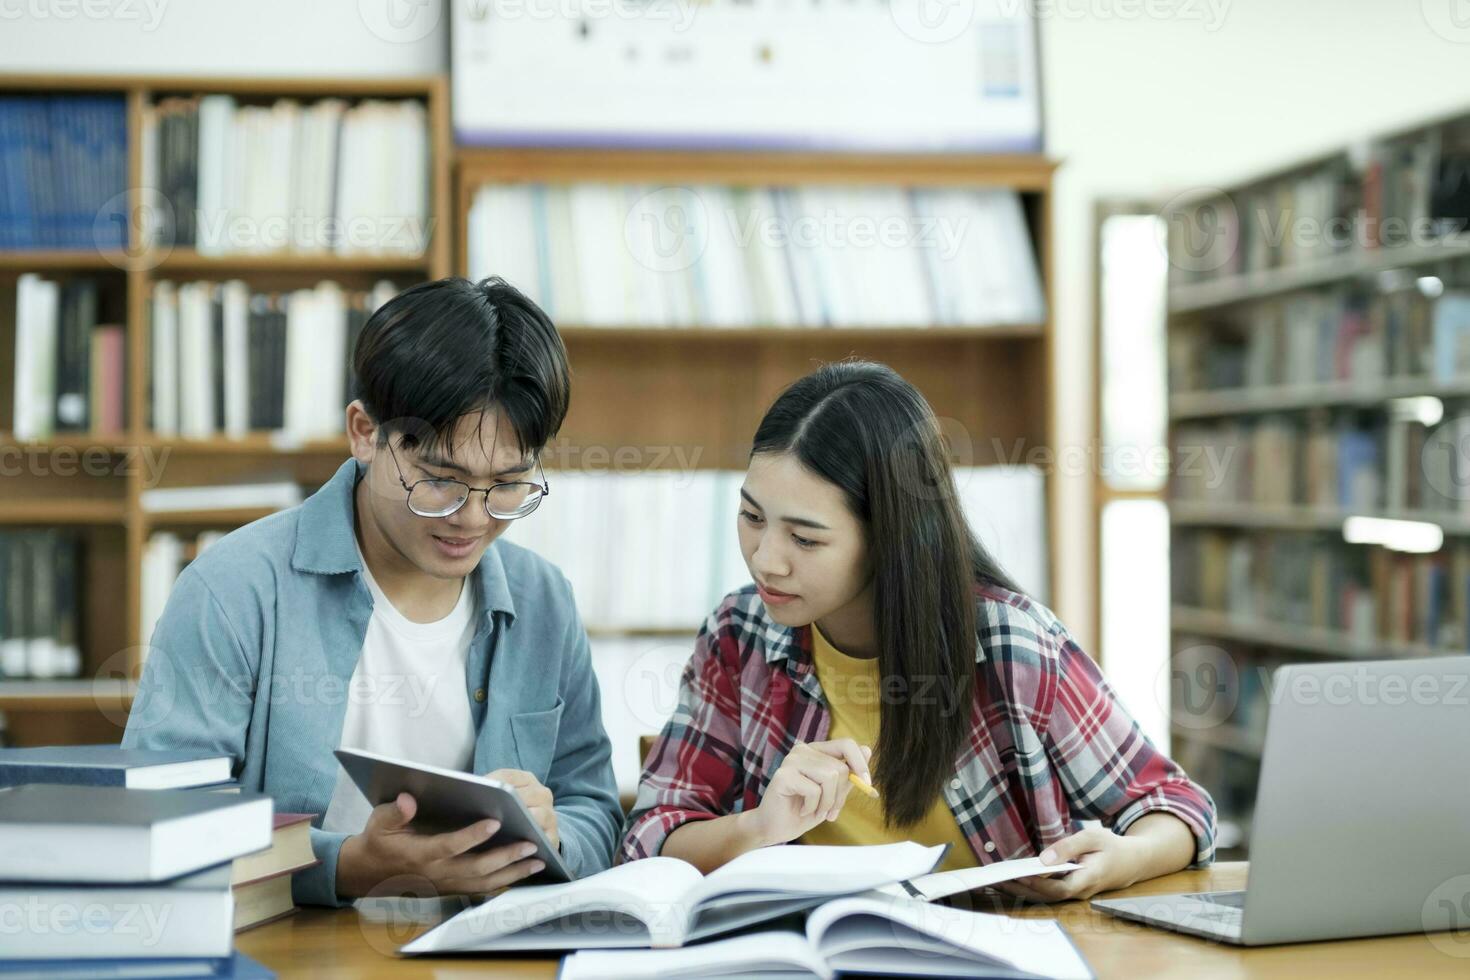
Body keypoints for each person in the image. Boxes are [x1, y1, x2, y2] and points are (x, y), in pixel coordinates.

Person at [621, 361, 1215, 900]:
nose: (766, 559)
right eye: (752, 517)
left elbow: (1177, 807)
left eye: (805, 538)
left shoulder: (1011, 645)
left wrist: (1123, 859)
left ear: (890, 535)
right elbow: (651, 835)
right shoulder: (739, 634)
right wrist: (757, 828)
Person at [124, 277, 622, 906]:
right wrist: (346, 866)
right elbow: (160, 823)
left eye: (507, 485)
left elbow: (596, 811)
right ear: (364, 433)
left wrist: (555, 835)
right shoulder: (233, 591)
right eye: (440, 480)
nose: (471, 518)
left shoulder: (544, 601)